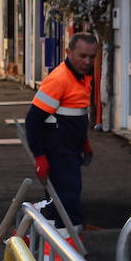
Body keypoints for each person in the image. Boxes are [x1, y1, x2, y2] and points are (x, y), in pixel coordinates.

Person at [24, 32, 97, 231]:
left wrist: (84, 142)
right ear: (68, 52)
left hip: (69, 149)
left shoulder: (82, 77)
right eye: (82, 56)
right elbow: (33, 120)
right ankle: (66, 251)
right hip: (59, 152)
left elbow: (76, 113)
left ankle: (53, 251)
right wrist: (40, 157)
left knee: (59, 202)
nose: (87, 61)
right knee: (66, 203)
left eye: (92, 57)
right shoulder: (60, 79)